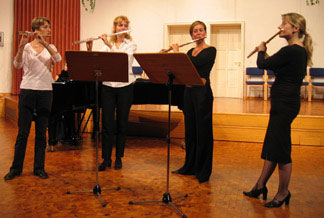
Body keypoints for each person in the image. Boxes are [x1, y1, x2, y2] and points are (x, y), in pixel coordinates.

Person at [243, 13, 313, 207]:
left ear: (295, 28)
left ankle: (283, 193)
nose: (280, 27)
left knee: (281, 150)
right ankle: (260, 186)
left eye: (284, 24)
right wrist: (265, 53)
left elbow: (262, 65)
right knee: (273, 146)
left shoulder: (291, 50)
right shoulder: (297, 51)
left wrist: (261, 51)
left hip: (284, 104)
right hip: (286, 103)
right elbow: (276, 67)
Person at [4, 17, 62, 180]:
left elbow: (57, 59)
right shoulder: (27, 47)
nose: (49, 30)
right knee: (23, 132)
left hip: (45, 91)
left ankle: (39, 168)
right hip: (28, 90)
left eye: (49, 27)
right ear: (36, 29)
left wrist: (44, 44)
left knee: (41, 132)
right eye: (46, 27)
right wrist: (22, 45)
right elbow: (17, 65)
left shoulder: (50, 46)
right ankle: (16, 168)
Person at [86, 15, 137, 170]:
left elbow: (121, 60)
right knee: (107, 124)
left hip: (125, 86)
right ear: (115, 27)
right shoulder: (107, 45)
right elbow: (98, 60)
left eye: (124, 25)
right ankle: (106, 158)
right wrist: (89, 48)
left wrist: (108, 43)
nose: (122, 27)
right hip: (108, 86)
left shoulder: (131, 44)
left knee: (122, 124)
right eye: (119, 25)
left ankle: (119, 158)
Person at [170, 21, 216, 183]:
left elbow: (193, 64)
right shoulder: (190, 51)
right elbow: (183, 68)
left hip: (202, 94)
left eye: (200, 30)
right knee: (190, 132)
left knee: (203, 133)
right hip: (188, 93)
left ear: (205, 32)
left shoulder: (210, 50)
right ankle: (189, 166)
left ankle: (203, 171)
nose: (198, 33)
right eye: (195, 31)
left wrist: (177, 53)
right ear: (191, 35)